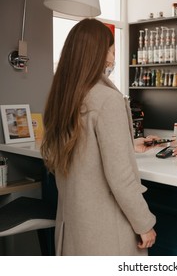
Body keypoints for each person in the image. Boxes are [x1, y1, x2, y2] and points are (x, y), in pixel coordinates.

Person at [40, 19, 156, 256]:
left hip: (74, 230)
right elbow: (120, 178)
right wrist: (144, 224)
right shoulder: (107, 99)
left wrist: (127, 145)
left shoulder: (62, 100)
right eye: (113, 50)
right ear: (102, 52)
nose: (114, 58)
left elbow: (82, 151)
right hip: (106, 234)